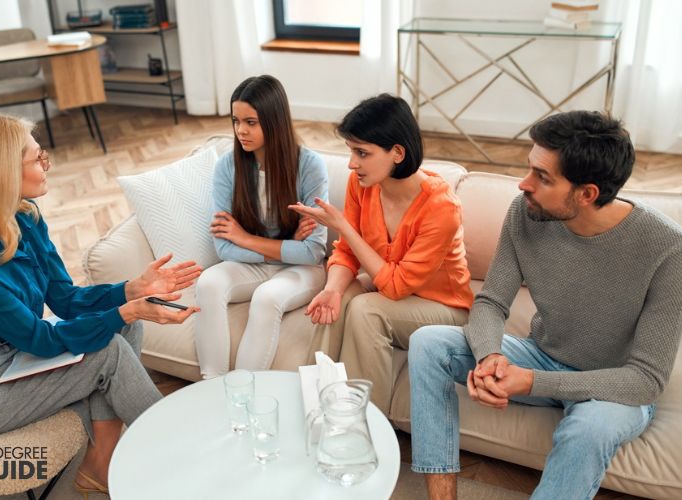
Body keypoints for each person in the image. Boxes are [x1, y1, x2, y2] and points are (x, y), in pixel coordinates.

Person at [0, 113, 201, 496]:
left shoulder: (27, 219)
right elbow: (40, 339)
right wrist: (124, 309)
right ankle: (184, 456)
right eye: (37, 159)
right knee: (110, 349)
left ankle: (101, 460)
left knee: (125, 326)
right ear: (1, 173)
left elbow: (66, 300)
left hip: (11, 358)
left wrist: (130, 291)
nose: (46, 165)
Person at [408, 110, 682, 499]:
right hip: (541, 355)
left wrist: (532, 381)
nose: (523, 184)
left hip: (612, 384)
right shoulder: (526, 212)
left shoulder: (668, 249)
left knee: (592, 427)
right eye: (529, 168)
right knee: (428, 342)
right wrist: (489, 357)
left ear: (586, 194)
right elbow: (490, 301)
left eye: (543, 177)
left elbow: (645, 380)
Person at [290, 93, 474, 415]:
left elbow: (396, 285)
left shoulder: (441, 208)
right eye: (351, 151)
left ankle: (365, 423)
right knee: (336, 297)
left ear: (398, 153)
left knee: (366, 309)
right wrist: (332, 290)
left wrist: (344, 226)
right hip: (391, 292)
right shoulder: (360, 184)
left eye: (362, 153)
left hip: (444, 308)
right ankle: (314, 408)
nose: (351, 163)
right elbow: (347, 252)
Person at [194, 75, 329, 378]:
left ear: (274, 121)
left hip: (305, 270)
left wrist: (244, 237)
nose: (241, 130)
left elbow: (314, 252)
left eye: (251, 122)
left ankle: (244, 393)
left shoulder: (310, 166)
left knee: (267, 298)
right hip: (268, 262)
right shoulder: (227, 167)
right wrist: (287, 247)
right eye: (235, 120)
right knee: (208, 283)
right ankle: (211, 385)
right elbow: (223, 246)